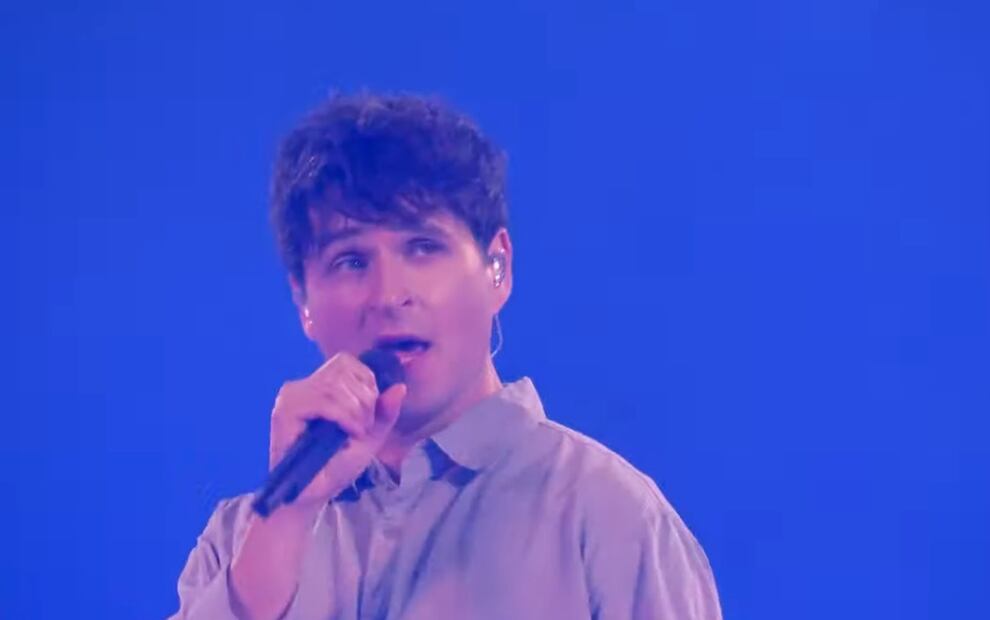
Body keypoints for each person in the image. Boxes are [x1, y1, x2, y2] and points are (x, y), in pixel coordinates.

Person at [170, 92, 722, 620]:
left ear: (497, 267)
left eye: (423, 247)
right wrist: (285, 520)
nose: (389, 295)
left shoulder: (604, 514)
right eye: (351, 261)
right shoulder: (239, 542)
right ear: (303, 301)